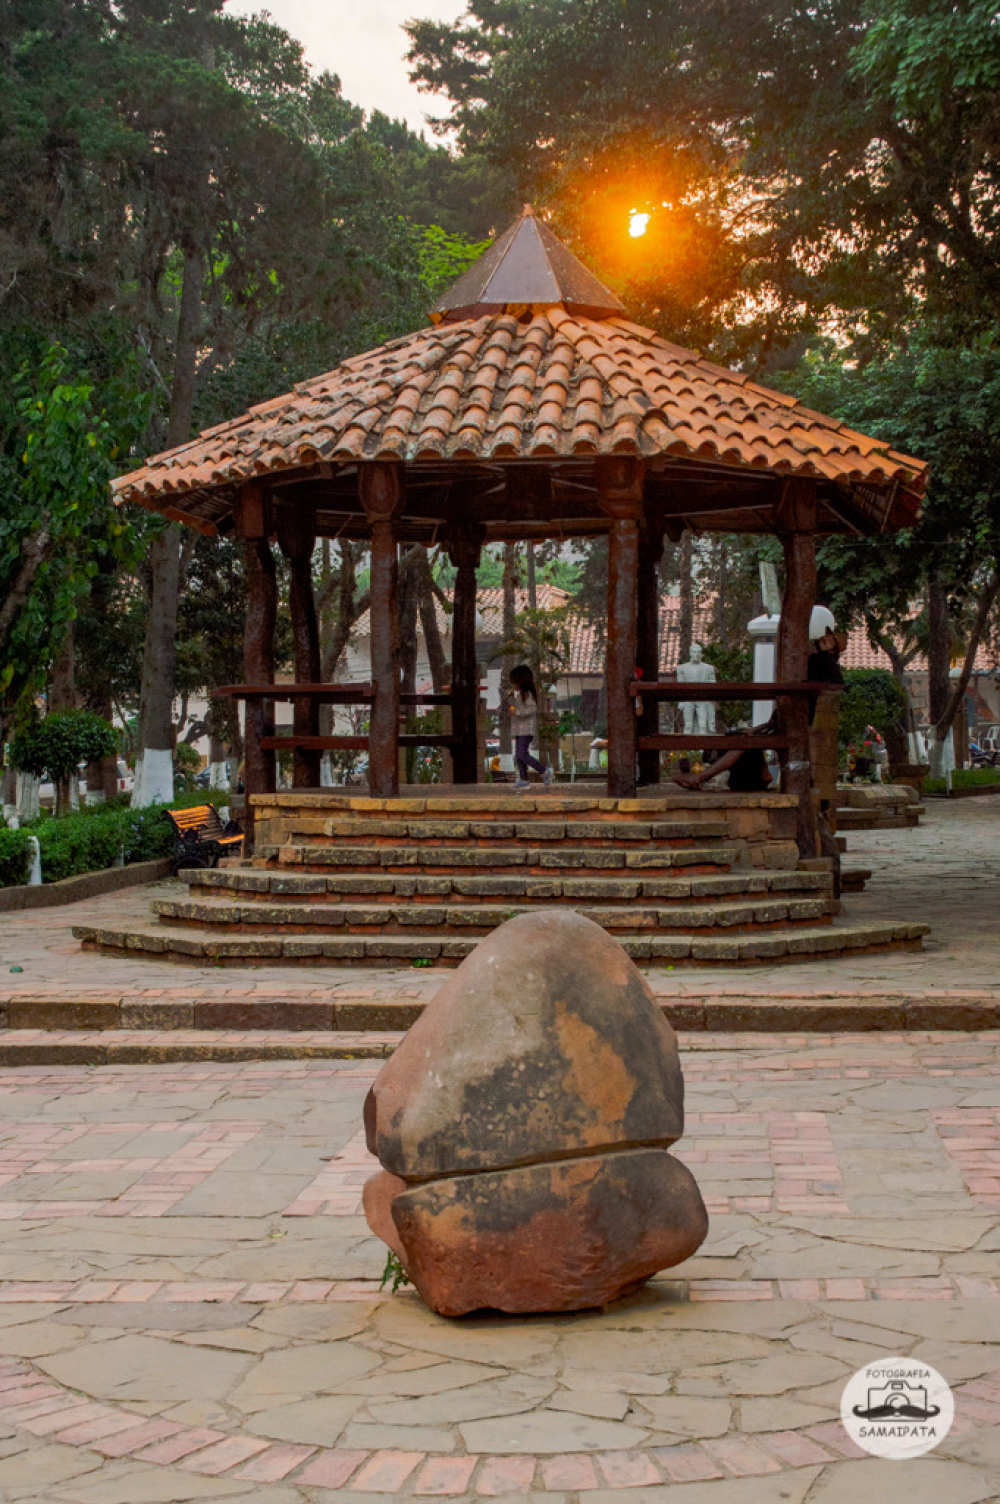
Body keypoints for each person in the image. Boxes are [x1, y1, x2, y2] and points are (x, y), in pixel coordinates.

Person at [672, 715, 777, 794]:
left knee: (743, 743)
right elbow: (768, 725)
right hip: (750, 774)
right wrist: (747, 732)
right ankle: (700, 778)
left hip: (757, 774)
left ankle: (699, 778)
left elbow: (768, 729)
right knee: (735, 737)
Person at [508, 664, 552, 791]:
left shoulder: (527, 695)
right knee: (518, 755)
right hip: (518, 729)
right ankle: (524, 779)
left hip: (526, 729)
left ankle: (543, 770)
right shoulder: (517, 695)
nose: (513, 685)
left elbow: (531, 709)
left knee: (522, 753)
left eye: (514, 682)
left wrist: (516, 712)